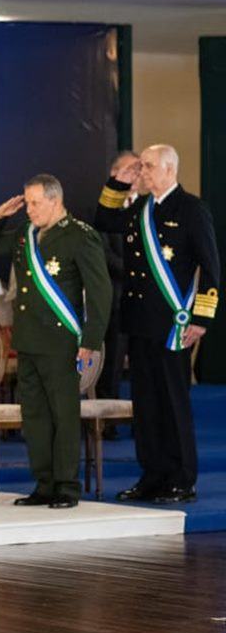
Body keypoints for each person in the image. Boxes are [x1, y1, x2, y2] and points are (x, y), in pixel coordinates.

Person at [94, 145, 220, 504]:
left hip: (173, 325)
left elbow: (211, 267)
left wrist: (201, 319)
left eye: (148, 167)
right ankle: (152, 475)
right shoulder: (139, 209)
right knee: (146, 404)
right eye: (141, 167)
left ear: (169, 169)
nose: (143, 172)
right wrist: (118, 184)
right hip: (139, 322)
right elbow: (105, 221)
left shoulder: (191, 209)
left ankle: (181, 479)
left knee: (173, 403)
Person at [0, 175, 111, 508]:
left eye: (35, 203)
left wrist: (91, 339)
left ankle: (66, 486)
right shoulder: (26, 234)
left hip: (61, 341)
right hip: (28, 340)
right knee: (35, 417)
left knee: (63, 415)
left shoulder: (80, 236)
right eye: (27, 202)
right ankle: (44, 484)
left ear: (56, 200)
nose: (30, 209)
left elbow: (100, 292)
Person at [95, 151, 141, 403]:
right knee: (113, 358)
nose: (136, 175)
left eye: (139, 170)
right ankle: (109, 412)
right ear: (115, 174)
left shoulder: (148, 207)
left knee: (145, 361)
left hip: (145, 299)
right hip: (116, 297)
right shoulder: (103, 209)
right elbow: (105, 255)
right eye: (130, 170)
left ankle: (143, 413)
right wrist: (138, 269)